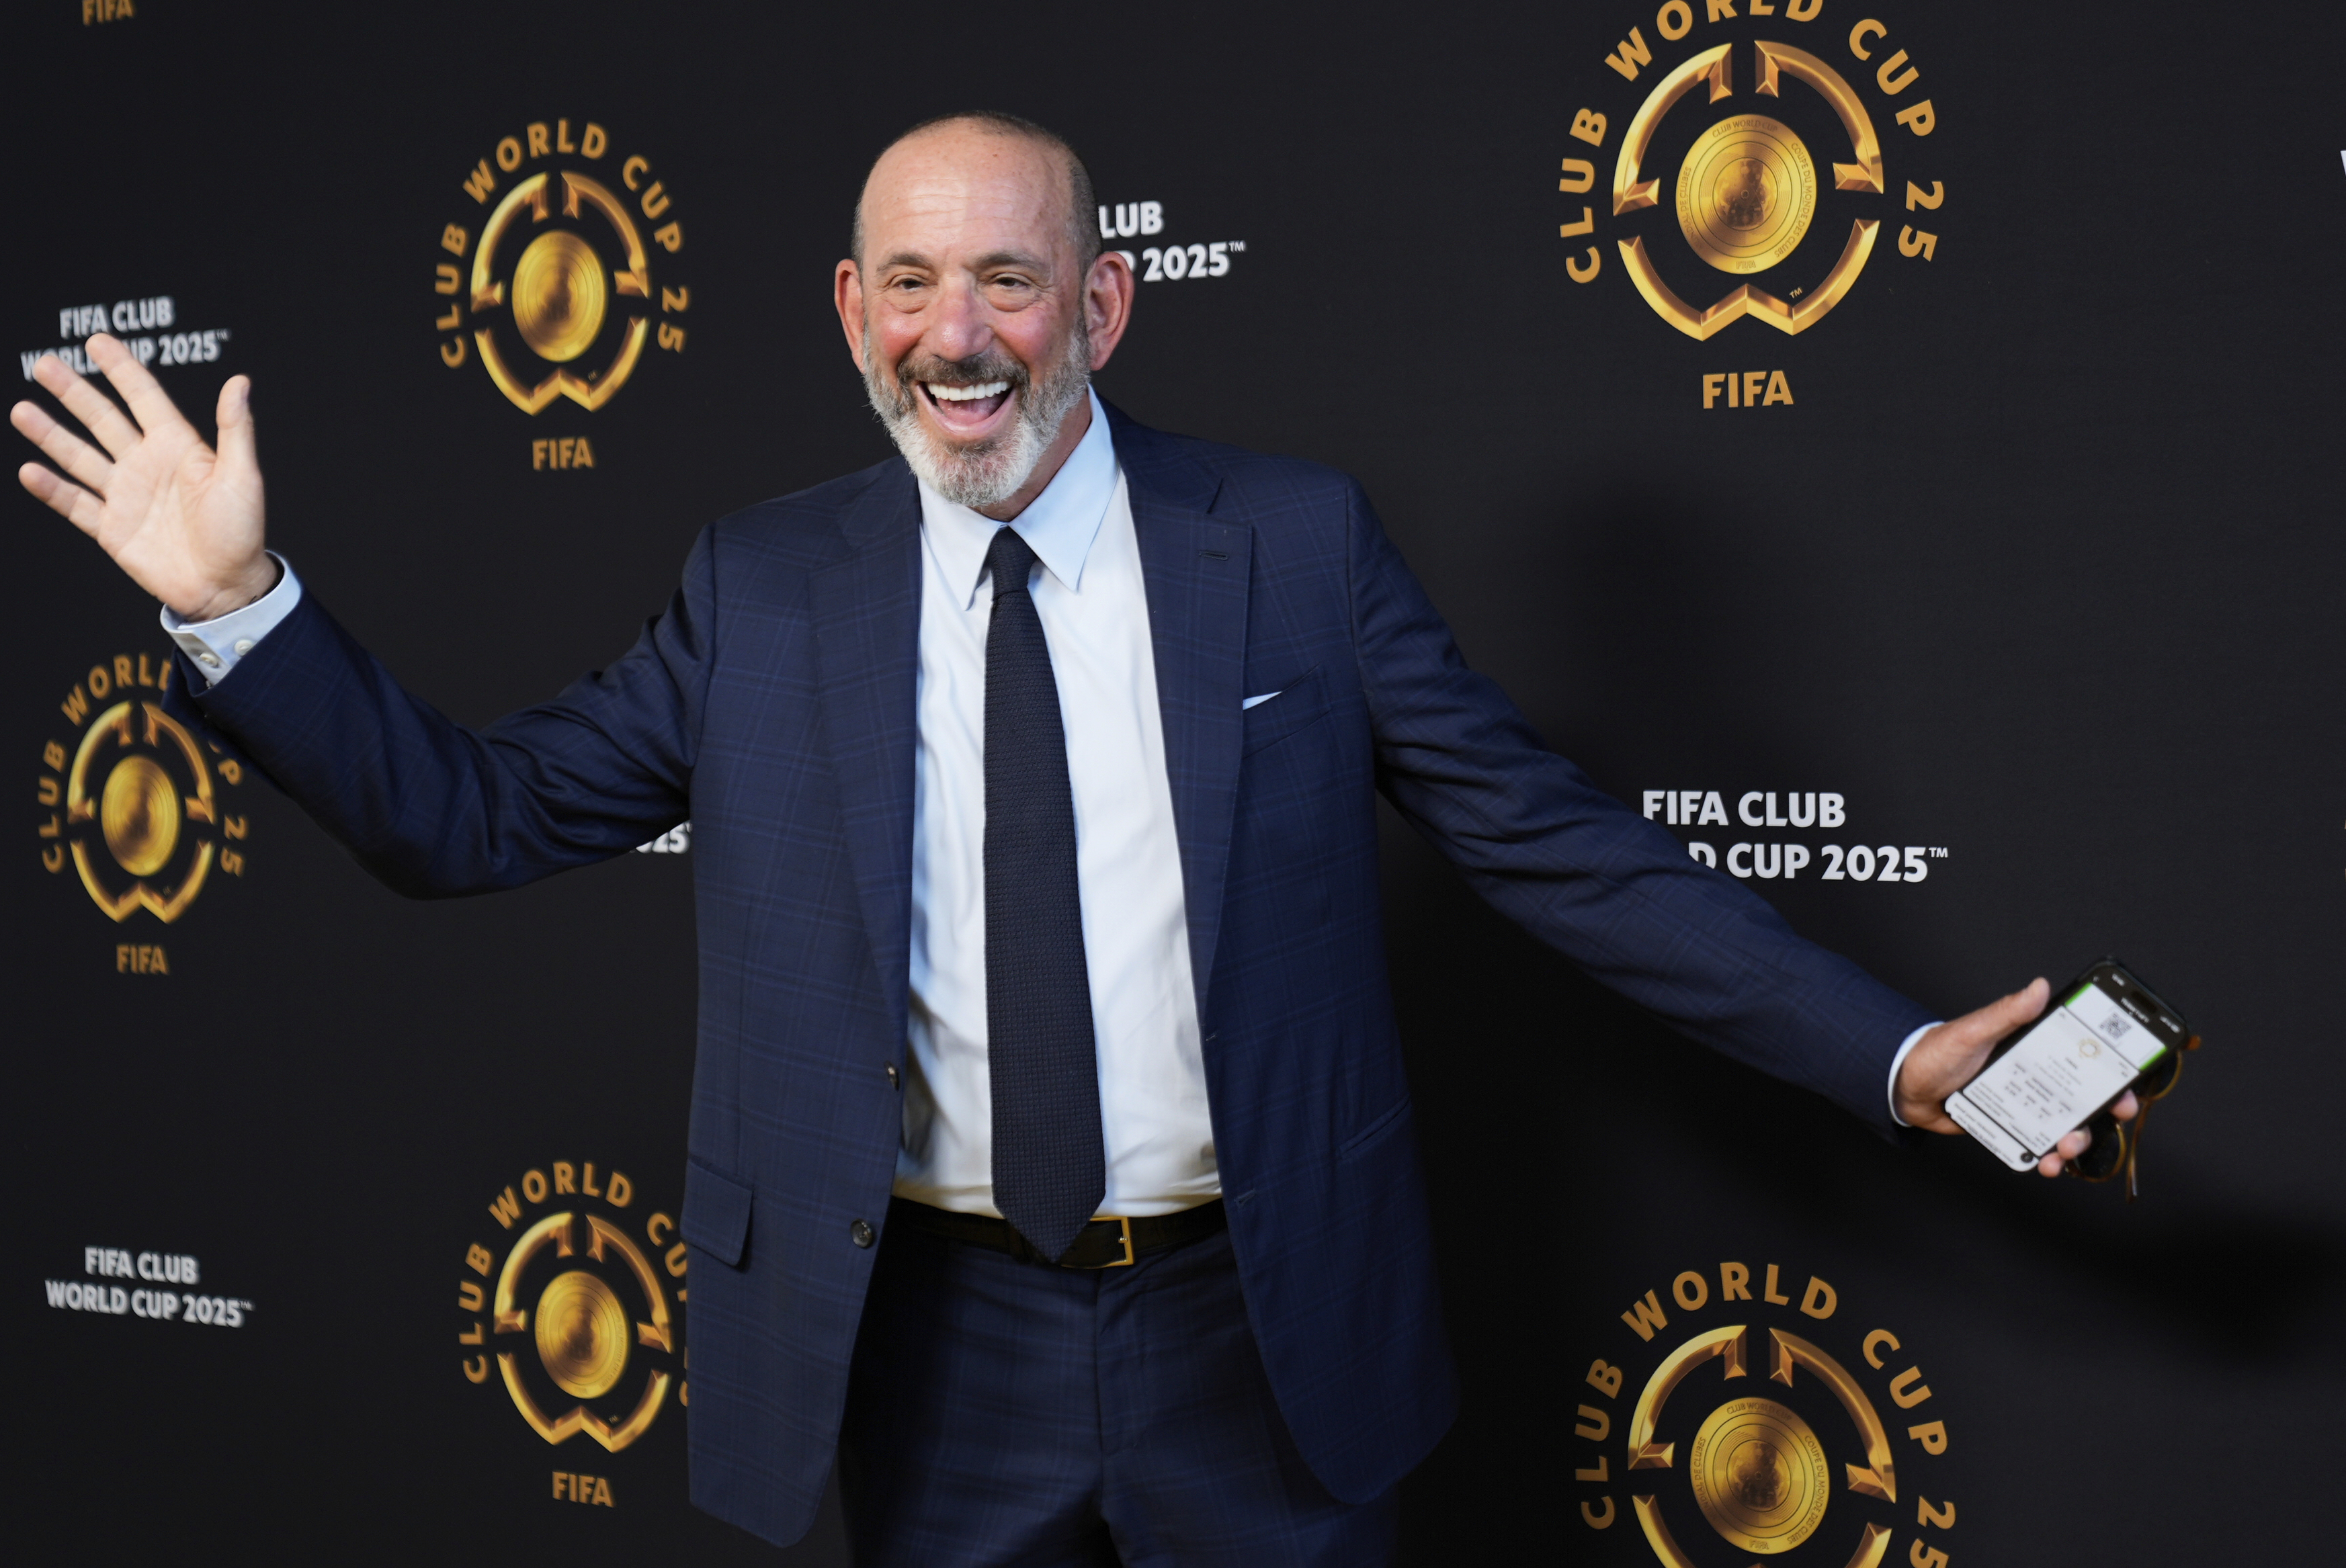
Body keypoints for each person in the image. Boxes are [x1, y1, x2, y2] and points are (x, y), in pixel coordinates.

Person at [11, 110, 2130, 1567]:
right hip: (927, 1347)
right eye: (912, 285)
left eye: (1009, 283)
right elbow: (469, 822)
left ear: (1099, 309)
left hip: (1259, 1325)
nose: (959, 337)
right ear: (850, 314)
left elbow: (1559, 847)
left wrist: (1890, 1050)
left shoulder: (1288, 550)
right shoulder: (759, 585)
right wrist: (236, 609)